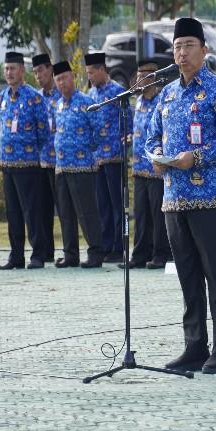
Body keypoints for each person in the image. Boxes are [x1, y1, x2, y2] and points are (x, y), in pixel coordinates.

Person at [146, 17, 216, 375]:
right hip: (174, 199)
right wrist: (155, 157)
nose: (181, 53)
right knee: (187, 277)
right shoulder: (167, 94)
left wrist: (195, 157)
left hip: (211, 200)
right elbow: (151, 137)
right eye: (177, 46)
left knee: (215, 276)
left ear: (204, 49)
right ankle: (194, 346)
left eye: (188, 45)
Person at [0, 52, 51, 270]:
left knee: (32, 211)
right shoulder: (2, 97)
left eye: (13, 68)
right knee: (13, 213)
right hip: (7, 164)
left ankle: (37, 255)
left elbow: (43, 131)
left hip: (28, 164)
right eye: (6, 68)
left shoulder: (34, 97)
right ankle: (15, 256)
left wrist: (29, 150)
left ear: (22, 71)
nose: (9, 73)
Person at [53, 61, 106, 268]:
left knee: (87, 212)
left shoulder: (86, 102)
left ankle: (95, 252)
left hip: (82, 166)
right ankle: (70, 254)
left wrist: (87, 149)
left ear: (73, 78)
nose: (61, 83)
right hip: (62, 167)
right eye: (58, 79)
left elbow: (98, 129)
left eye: (64, 78)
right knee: (65, 214)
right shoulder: (58, 104)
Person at [126, 59, 172, 270]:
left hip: (155, 168)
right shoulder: (139, 102)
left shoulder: (161, 100)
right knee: (141, 214)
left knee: (157, 213)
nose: (137, 81)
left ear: (151, 78)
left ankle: (160, 254)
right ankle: (139, 254)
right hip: (138, 167)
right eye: (136, 77)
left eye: (141, 77)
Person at [86, 52, 128, 263]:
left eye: (92, 72)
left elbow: (128, 120)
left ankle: (119, 247)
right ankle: (106, 243)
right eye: (87, 73)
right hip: (97, 158)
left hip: (114, 156)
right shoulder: (90, 94)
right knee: (101, 204)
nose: (90, 76)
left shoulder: (118, 92)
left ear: (102, 70)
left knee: (116, 204)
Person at [33, 53, 60, 263]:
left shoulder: (63, 94)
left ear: (50, 69)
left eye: (40, 70)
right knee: (42, 210)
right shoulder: (36, 97)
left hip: (61, 162)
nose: (38, 76)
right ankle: (46, 250)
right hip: (41, 160)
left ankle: (72, 251)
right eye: (34, 73)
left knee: (65, 210)